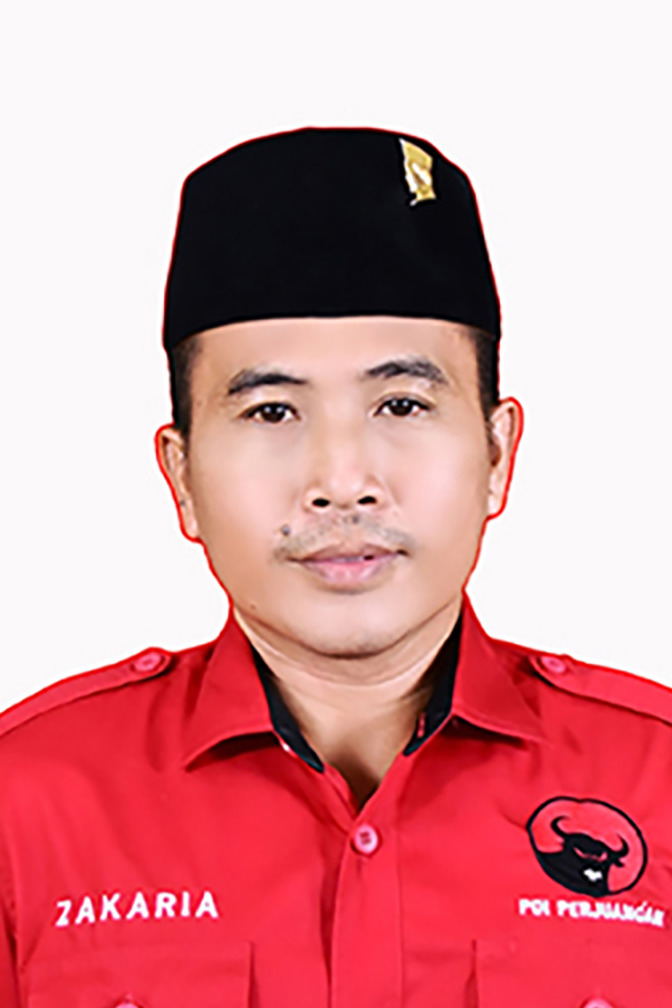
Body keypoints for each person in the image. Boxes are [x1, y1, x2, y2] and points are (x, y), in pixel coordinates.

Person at [1, 127, 670, 1008]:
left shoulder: (657, 780)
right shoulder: (26, 806)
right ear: (182, 476)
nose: (343, 481)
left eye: (402, 404)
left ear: (497, 454)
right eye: (272, 411)